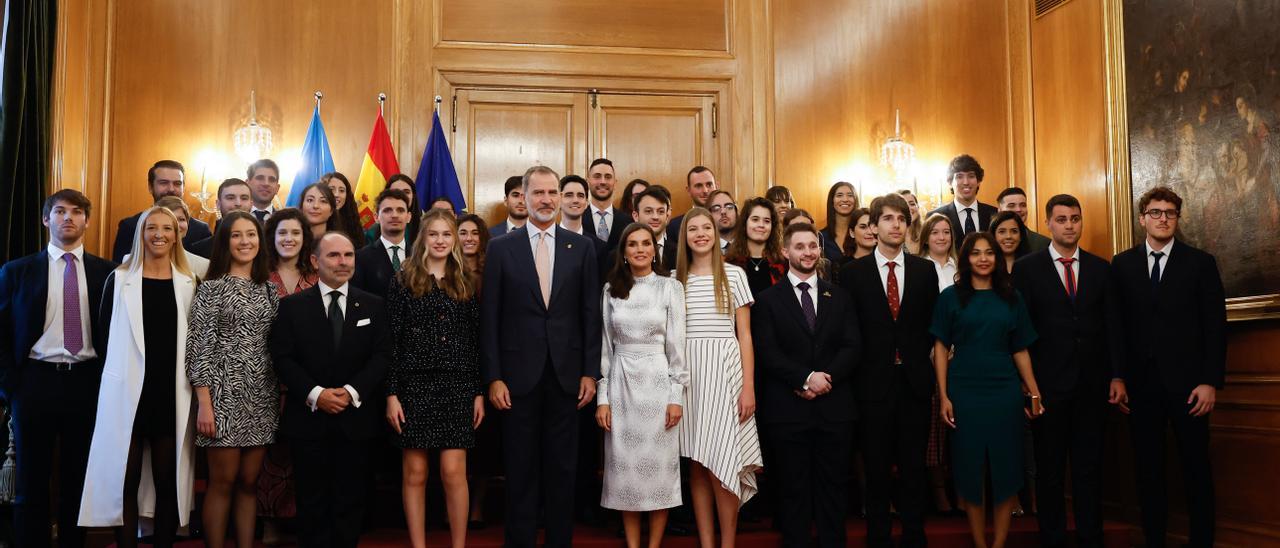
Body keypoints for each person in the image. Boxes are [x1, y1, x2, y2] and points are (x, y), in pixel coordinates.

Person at [481, 165, 602, 548]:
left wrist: (590, 372)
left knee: (562, 469)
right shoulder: (501, 247)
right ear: (524, 196)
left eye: (553, 193)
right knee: (520, 469)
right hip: (516, 379)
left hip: (568, 377)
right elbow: (490, 317)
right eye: (538, 193)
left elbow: (589, 315)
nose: (547, 200)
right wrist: (494, 376)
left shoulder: (581, 247)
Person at [1108, 186, 1225, 548]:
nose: (1163, 218)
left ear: (1177, 218)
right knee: (1148, 472)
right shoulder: (1122, 264)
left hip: (1190, 388)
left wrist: (1209, 382)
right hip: (1140, 388)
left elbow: (1215, 327)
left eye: (1170, 213)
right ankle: (1154, 540)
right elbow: (1116, 326)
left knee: (1196, 470)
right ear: (1142, 218)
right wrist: (1118, 376)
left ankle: (1202, 541)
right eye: (1156, 212)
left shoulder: (1200, 263)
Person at [0, 190, 115, 548]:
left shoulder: (108, 273)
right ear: (46, 219)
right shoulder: (16, 271)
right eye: (60, 211)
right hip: (34, 382)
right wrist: (11, 386)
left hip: (85, 382)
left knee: (77, 478)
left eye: (77, 212)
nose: (68, 218)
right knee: (32, 481)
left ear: (86, 221)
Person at [80, 206, 198, 547]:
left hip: (170, 394)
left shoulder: (190, 283)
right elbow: (102, 337)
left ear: (177, 236)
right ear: (141, 234)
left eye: (167, 228)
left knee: (166, 482)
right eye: (152, 228)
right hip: (126, 393)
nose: (159, 234)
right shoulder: (118, 279)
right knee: (124, 481)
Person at [269, 232, 390, 547]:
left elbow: (382, 356)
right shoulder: (292, 307)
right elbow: (282, 358)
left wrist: (351, 391)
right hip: (308, 419)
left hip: (356, 420)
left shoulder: (374, 305)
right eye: (334, 255)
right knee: (312, 502)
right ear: (314, 261)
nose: (343, 262)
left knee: (350, 502)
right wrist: (316, 394)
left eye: (348, 255)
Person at [1011, 194, 1117, 548]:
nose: (1070, 225)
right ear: (1048, 224)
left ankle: (1091, 537)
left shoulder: (1102, 268)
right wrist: (1028, 388)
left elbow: (1113, 328)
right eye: (1062, 219)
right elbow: (1020, 331)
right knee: (1051, 471)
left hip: (1092, 386)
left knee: (1089, 470)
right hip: (1047, 388)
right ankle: (1052, 538)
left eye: (1075, 218)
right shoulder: (1026, 268)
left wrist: (1116, 376)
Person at [931, 232, 1044, 548]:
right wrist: (944, 395)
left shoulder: (1012, 297)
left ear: (997, 258)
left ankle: (999, 545)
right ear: (966, 258)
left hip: (1004, 390)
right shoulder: (950, 297)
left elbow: (1020, 349)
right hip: (964, 390)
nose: (983, 258)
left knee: (1006, 469)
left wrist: (1033, 392)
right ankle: (980, 544)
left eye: (989, 253)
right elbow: (941, 347)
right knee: (970, 470)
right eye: (976, 253)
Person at [752, 222, 860, 548]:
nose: (808, 252)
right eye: (800, 247)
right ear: (786, 252)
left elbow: (852, 346)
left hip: (834, 408)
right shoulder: (768, 300)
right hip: (788, 411)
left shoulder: (839, 296)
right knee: (792, 489)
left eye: (812, 246)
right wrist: (804, 378)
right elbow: (767, 352)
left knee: (834, 488)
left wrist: (824, 379)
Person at [840, 193, 939, 548]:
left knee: (914, 468)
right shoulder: (852, 273)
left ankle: (915, 535)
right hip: (871, 385)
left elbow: (932, 325)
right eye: (887, 219)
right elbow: (848, 330)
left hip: (913, 382)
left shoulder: (924, 270)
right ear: (874, 226)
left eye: (901, 218)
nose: (895, 225)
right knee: (877, 468)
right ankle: (877, 536)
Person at [386, 210, 483, 548]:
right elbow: (392, 342)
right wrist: (391, 393)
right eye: (433, 234)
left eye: (446, 234)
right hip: (413, 387)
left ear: (454, 239)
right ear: (422, 239)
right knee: (415, 473)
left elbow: (474, 342)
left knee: (454, 472)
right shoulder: (402, 281)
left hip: (457, 387)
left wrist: (477, 391)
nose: (440, 240)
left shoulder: (466, 282)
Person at [186, 210, 280, 548]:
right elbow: (199, 348)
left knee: (248, 483)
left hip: (261, 396)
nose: (245, 241)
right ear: (225, 242)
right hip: (221, 398)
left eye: (251, 235)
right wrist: (204, 405)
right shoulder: (211, 289)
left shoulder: (268, 289)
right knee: (222, 482)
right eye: (237, 235)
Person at [597, 223, 689, 548]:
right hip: (621, 386)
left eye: (645, 243)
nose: (639, 249)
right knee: (625, 473)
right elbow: (606, 347)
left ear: (654, 249)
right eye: (632, 244)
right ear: (623, 252)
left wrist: (676, 395)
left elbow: (678, 347)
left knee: (660, 473)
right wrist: (602, 398)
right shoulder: (611, 290)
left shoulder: (670, 287)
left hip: (658, 384)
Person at [674, 207, 762, 548]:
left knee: (724, 460)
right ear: (685, 237)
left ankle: (728, 543)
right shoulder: (674, 279)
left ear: (715, 232)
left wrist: (748, 388)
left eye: (705, 227)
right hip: (689, 376)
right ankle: (707, 543)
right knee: (697, 463)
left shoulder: (735, 275)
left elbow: (746, 336)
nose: (700, 233)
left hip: (726, 374)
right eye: (692, 228)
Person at [257, 208, 315, 541]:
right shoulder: (259, 275)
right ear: (272, 238)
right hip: (266, 376)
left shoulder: (316, 276)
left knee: (302, 453)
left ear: (305, 238)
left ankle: (302, 520)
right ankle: (269, 522)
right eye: (282, 233)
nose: (289, 239)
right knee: (270, 453)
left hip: (308, 378)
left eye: (295, 233)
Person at [455, 213, 498, 528]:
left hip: (487, 361)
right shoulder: (445, 272)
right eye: (463, 232)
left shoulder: (493, 271)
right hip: (455, 362)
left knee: (485, 441)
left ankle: (478, 507)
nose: (469, 237)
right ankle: (453, 503)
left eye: (474, 232)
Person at [918, 213, 959, 515]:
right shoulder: (919, 267)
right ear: (925, 237)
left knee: (959, 426)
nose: (942, 237)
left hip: (963, 354)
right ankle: (938, 494)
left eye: (946, 232)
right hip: (931, 354)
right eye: (935, 232)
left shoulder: (961, 268)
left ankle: (961, 490)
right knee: (934, 429)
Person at [111, 160, 212, 262]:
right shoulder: (130, 225)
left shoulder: (201, 230)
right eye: (164, 183)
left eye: (177, 183)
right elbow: (121, 269)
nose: (171, 189)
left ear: (183, 187)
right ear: (150, 187)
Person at [926, 154, 998, 249]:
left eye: (971, 176)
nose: (966, 182)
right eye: (959, 177)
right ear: (950, 182)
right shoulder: (935, 216)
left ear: (978, 181)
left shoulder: (994, 214)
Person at [352, 189, 412, 298]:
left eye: (400, 210)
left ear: (408, 217)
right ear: (376, 217)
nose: (394, 215)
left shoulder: (420, 256)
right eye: (387, 210)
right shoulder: (360, 258)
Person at [724, 197, 787, 296]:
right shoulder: (730, 262)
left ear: (772, 226)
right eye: (755, 219)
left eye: (766, 221)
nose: (761, 225)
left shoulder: (783, 262)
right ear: (745, 223)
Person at [187, 178, 253, 259]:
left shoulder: (263, 245)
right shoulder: (197, 251)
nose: (238, 203)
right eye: (230, 198)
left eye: (244, 198)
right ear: (218, 204)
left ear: (251, 204)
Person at [151, 196, 210, 277]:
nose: (176, 224)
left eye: (181, 219)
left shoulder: (203, 266)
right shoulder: (133, 263)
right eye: (170, 218)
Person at [587, 158, 634, 255]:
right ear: (588, 181)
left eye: (608, 177)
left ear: (615, 183)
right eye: (597, 176)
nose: (603, 181)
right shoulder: (577, 219)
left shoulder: (628, 222)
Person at [665, 165, 719, 246]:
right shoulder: (674, 226)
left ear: (717, 187)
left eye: (709, 184)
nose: (705, 190)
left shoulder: (726, 220)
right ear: (688, 190)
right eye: (698, 186)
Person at [365, 174, 424, 247]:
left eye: (406, 192)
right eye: (396, 191)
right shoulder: (373, 232)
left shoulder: (424, 227)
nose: (402, 195)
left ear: (413, 196)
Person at [997, 187, 1051, 253]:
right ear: (999, 210)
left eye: (1023, 205)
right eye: (1011, 206)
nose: (1018, 209)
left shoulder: (1043, 243)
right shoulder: (988, 241)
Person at [634, 187, 675, 272]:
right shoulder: (619, 254)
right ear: (636, 216)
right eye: (648, 211)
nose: (655, 217)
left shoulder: (681, 254)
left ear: (667, 216)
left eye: (660, 211)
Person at [322, 172, 367, 248]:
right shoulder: (316, 222)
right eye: (331, 189)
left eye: (342, 190)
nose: (336, 194)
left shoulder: (353, 223)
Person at [820, 181, 859, 267]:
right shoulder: (820, 237)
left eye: (850, 195)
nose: (845, 199)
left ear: (855, 200)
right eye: (839, 195)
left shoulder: (863, 234)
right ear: (832, 201)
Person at [898, 189, 925, 254]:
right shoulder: (892, 236)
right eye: (904, 205)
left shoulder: (927, 234)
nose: (909, 208)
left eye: (912, 204)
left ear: (918, 207)